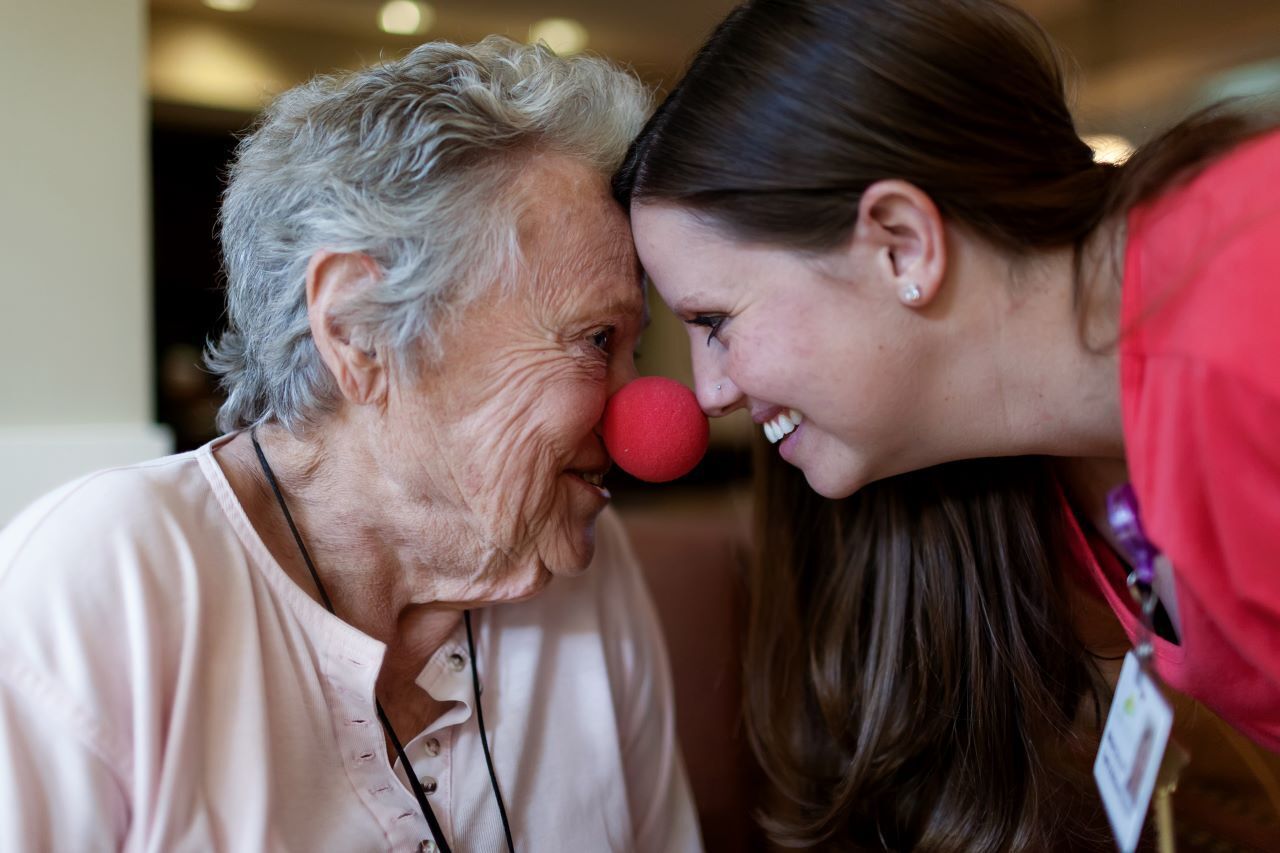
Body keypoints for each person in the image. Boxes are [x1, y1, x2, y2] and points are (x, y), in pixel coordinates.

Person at [0, 37, 704, 852]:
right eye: (593, 339)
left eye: (636, 350)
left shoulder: (586, 567)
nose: (649, 417)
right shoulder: (104, 579)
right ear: (360, 329)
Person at [613, 0, 1280, 848]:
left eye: (714, 321)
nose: (707, 394)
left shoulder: (1253, 315)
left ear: (902, 244)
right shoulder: (1031, 492)